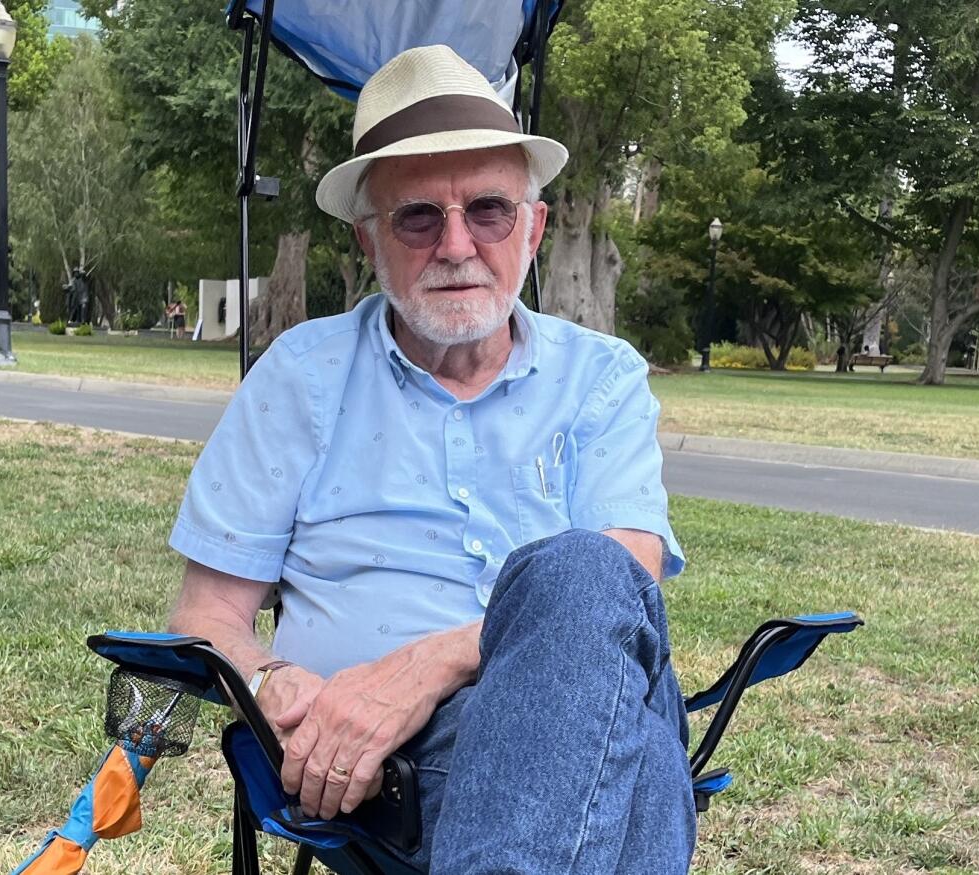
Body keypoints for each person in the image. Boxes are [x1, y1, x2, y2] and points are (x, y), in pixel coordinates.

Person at [166, 45, 694, 873]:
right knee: (645, 770)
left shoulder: (602, 377)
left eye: (488, 209)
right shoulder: (301, 377)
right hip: (389, 767)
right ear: (368, 240)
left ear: (534, 228)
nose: (456, 244)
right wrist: (274, 684)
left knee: (583, 573)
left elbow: (626, 579)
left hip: (568, 704)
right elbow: (204, 618)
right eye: (418, 216)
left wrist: (424, 665)